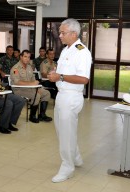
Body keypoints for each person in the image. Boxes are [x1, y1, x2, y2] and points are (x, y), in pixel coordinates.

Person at [47, 18, 92, 183]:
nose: (60, 35)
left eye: (63, 32)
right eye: (60, 32)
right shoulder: (67, 50)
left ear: (74, 33)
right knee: (62, 131)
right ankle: (76, 157)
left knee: (66, 134)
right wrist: (56, 74)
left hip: (71, 97)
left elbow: (84, 79)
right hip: (61, 95)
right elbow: (63, 73)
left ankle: (67, 167)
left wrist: (61, 76)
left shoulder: (82, 52)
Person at [10, 50, 52, 123]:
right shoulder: (15, 68)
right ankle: (32, 116)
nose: (27, 59)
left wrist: (37, 87)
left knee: (46, 93)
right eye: (25, 57)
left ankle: (42, 115)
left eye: (29, 57)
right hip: (19, 90)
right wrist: (31, 84)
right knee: (36, 95)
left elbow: (33, 79)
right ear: (21, 57)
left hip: (31, 88)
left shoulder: (29, 67)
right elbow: (16, 82)